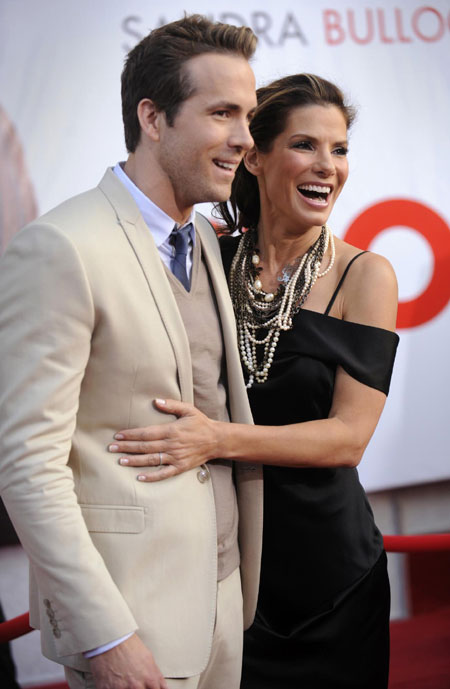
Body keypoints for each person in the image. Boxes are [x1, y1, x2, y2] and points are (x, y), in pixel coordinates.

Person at [109, 74, 399, 688]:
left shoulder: (366, 276)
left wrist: (217, 440)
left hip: (332, 580)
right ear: (256, 156)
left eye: (340, 149)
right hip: (224, 576)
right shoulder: (210, 256)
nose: (329, 166)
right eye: (306, 145)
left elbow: (349, 439)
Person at [0, 15, 263, 689]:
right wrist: (107, 632)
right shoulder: (60, 246)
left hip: (225, 599)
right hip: (133, 618)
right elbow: (28, 465)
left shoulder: (203, 236)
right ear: (153, 116)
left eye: (249, 115)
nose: (244, 139)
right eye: (223, 112)